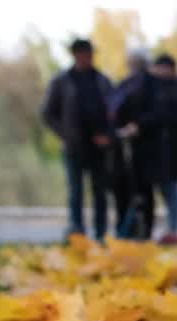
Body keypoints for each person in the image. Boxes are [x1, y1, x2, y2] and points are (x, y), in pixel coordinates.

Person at [42, 38, 113, 242]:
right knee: (76, 191)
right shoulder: (62, 81)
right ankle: (77, 231)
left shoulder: (101, 80)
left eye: (88, 54)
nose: (85, 58)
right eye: (81, 54)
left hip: (99, 146)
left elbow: (113, 111)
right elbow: (48, 113)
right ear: (75, 55)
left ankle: (101, 233)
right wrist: (64, 134)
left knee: (100, 191)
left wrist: (107, 135)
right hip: (74, 145)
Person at [109, 48, 164, 240]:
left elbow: (158, 113)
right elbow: (113, 110)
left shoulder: (154, 85)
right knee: (122, 189)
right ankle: (124, 230)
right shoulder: (123, 85)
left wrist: (138, 125)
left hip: (145, 147)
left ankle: (145, 231)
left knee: (144, 190)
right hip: (122, 147)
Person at [153, 53, 177, 245]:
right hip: (153, 151)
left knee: (171, 190)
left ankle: (173, 229)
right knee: (159, 191)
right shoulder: (150, 89)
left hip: (172, 150)